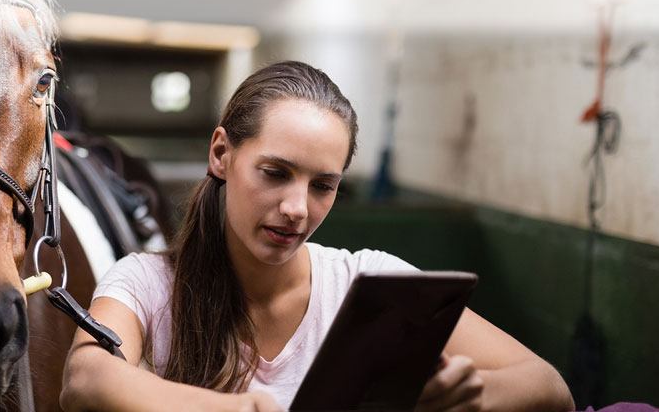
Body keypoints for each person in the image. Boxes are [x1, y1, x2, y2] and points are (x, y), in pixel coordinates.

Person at [62, 61, 574, 412]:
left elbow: (549, 387)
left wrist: (464, 397)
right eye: (275, 172)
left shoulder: (371, 282)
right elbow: (85, 378)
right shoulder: (146, 283)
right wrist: (232, 407)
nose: (296, 209)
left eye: (323, 185)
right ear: (221, 154)